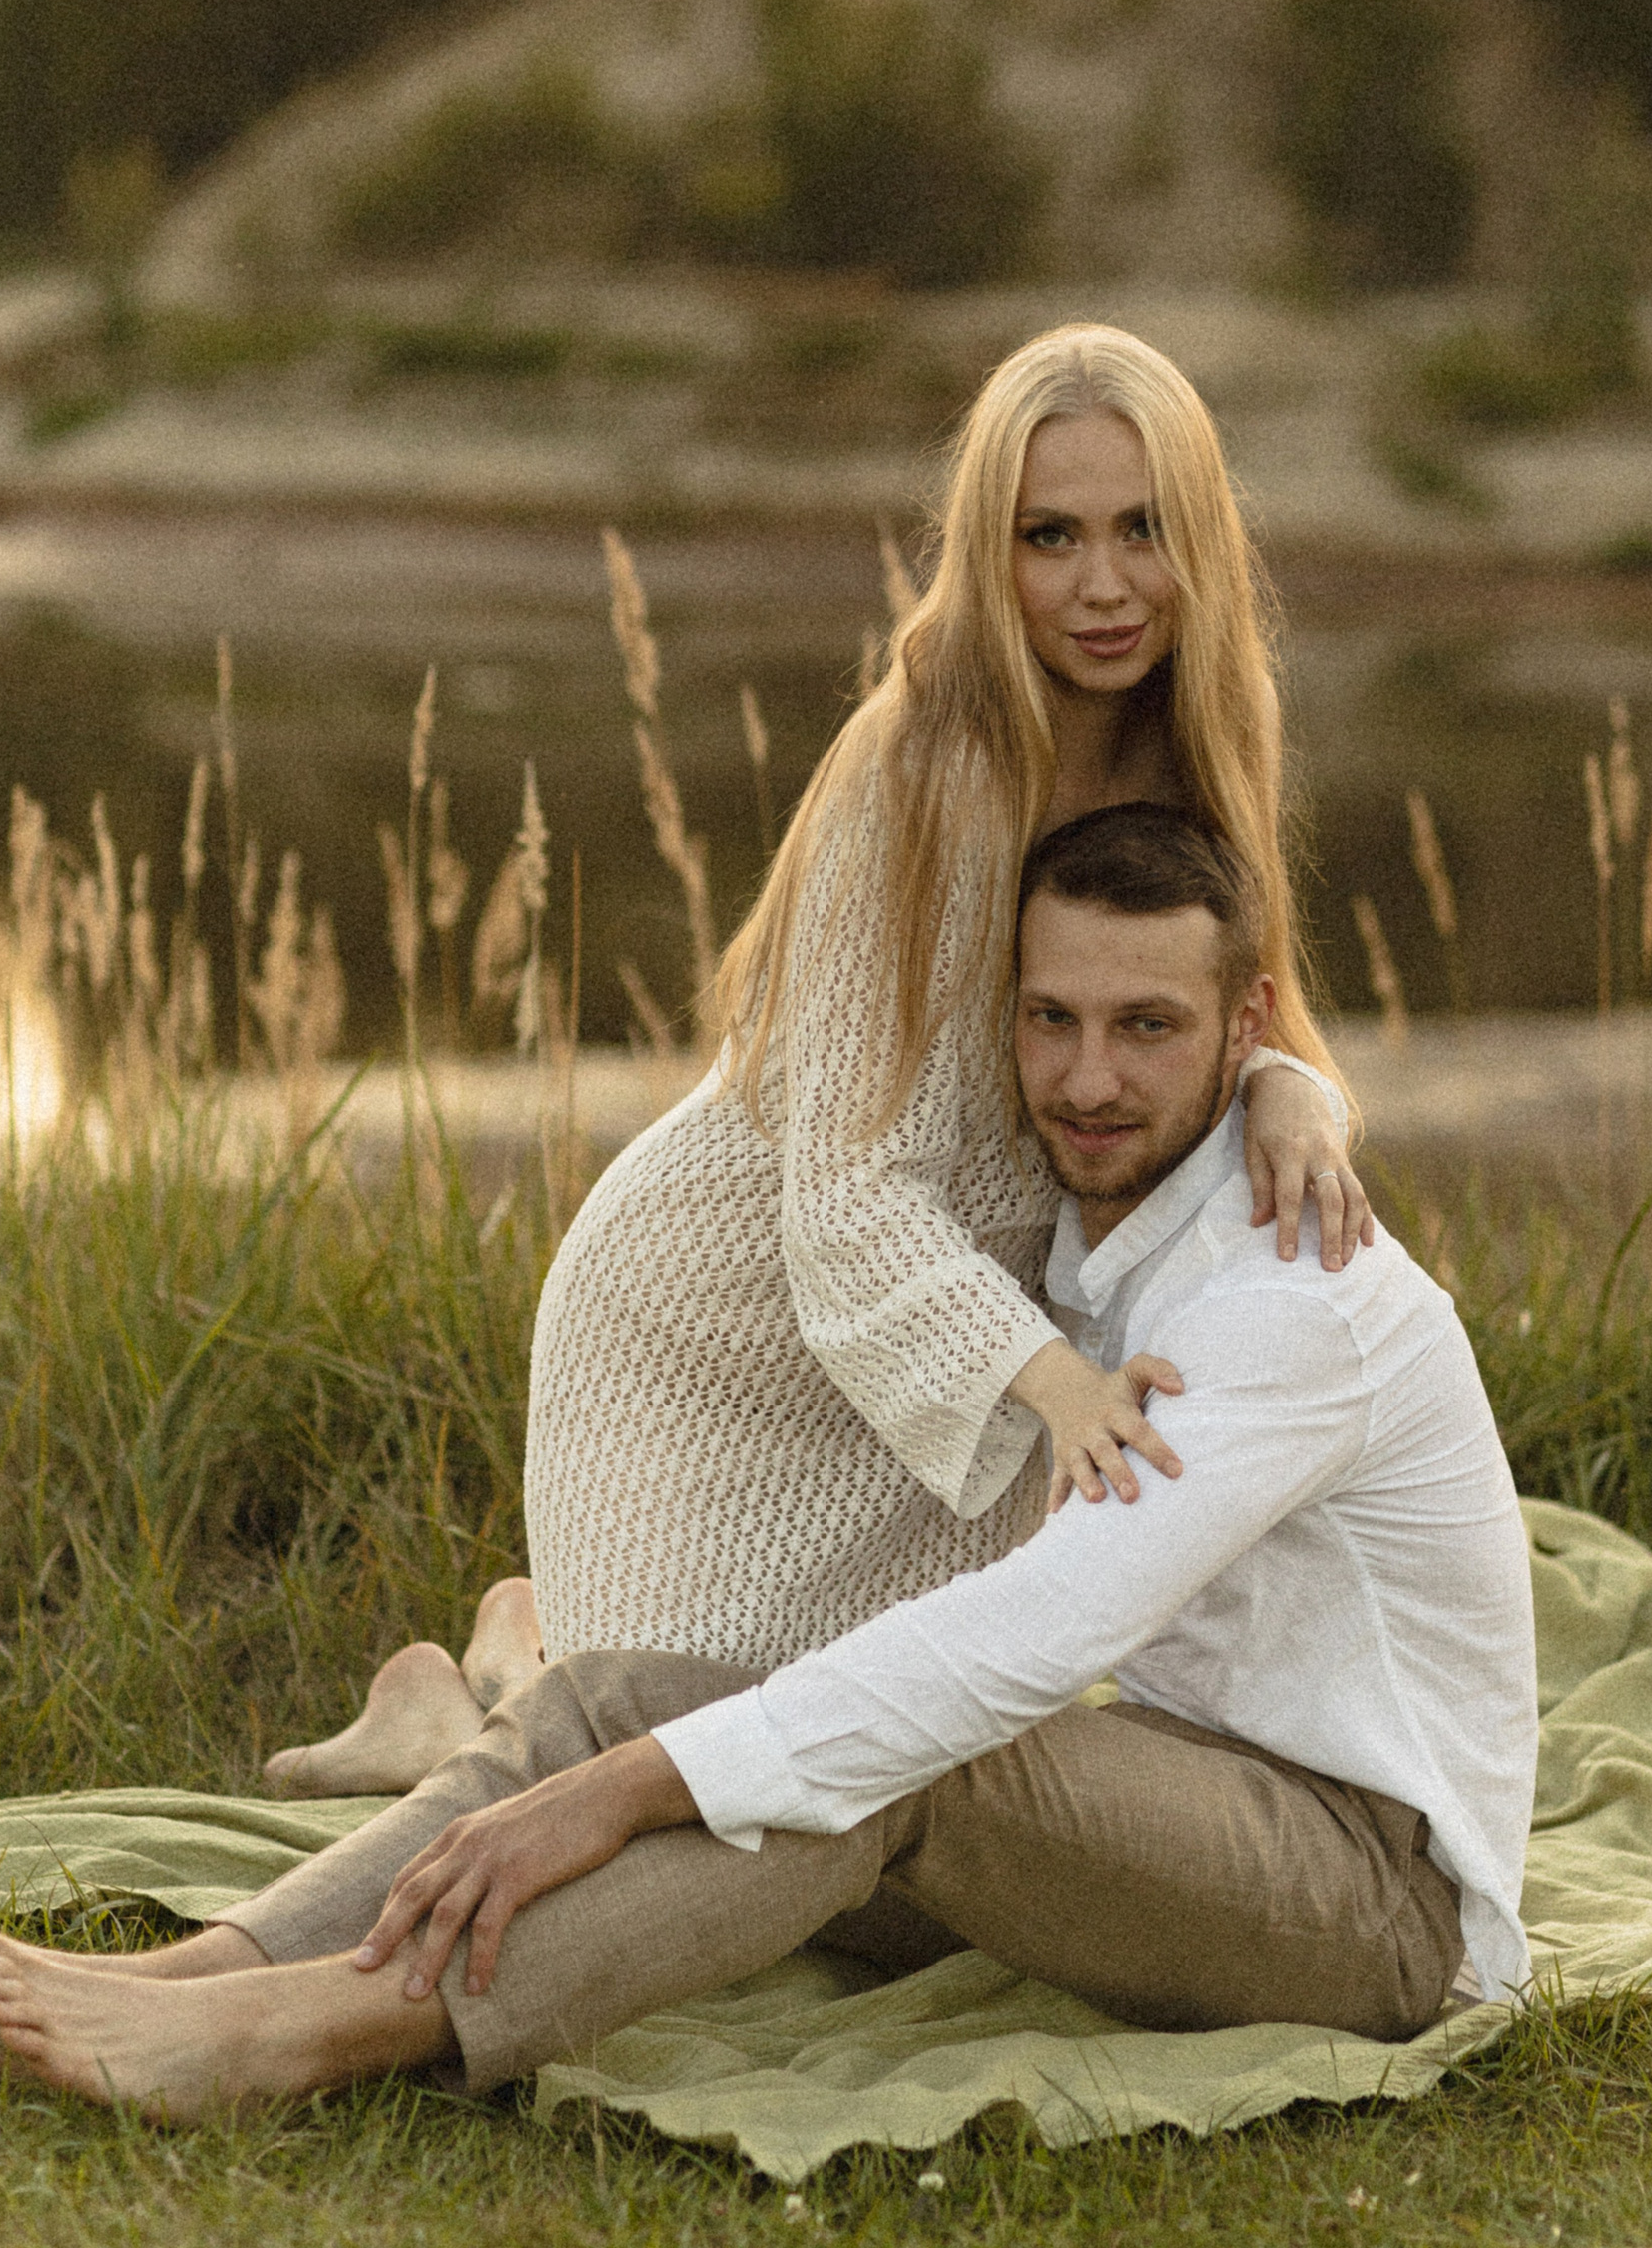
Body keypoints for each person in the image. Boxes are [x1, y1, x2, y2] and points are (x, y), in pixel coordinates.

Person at [0, 803, 1537, 2114]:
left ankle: (294, 2040)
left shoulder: (1289, 1295)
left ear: (1243, 1025)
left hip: (1371, 1904)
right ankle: (170, 1987)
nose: (1088, 1080)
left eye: (1149, 1028)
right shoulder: (1129, 1196)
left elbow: (1029, 1641)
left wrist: (608, 1802)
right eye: (1053, 1019)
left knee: (888, 1755)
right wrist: (627, 1744)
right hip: (1170, 1798)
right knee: (633, 1697)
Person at [265, 320, 1374, 1798]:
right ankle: (475, 1697)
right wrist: (1056, 1385)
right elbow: (844, 1188)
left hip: (959, 1349)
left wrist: (1297, 1089)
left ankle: (508, 1659)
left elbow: (1241, 1008)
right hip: (722, 1321)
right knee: (666, 1782)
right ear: (988, 550)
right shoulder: (923, 765)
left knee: (837, 1790)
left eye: (1143, 529)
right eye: (1050, 536)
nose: (1104, 586)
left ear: (1204, 540)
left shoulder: (1213, 727)